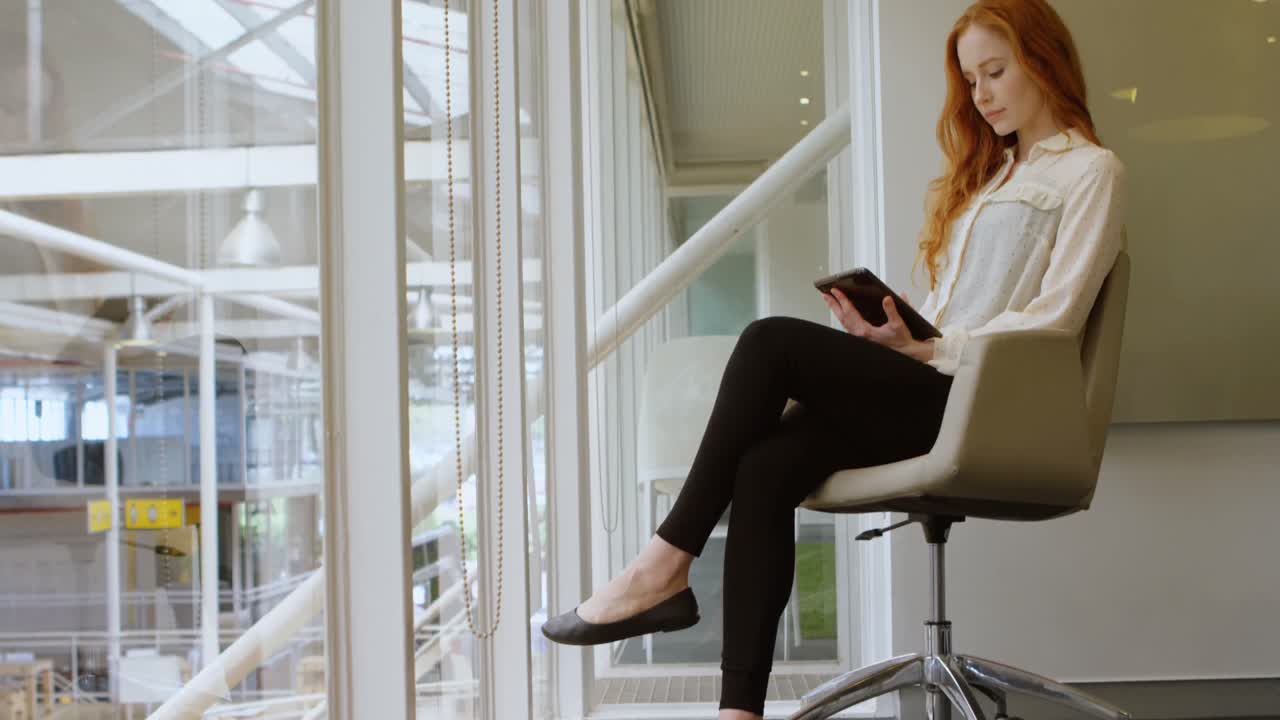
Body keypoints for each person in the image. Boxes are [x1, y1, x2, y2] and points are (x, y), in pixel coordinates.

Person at [543, 0, 1127, 717]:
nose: (981, 94)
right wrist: (898, 338)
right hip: (932, 383)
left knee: (769, 344)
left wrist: (932, 346)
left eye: (996, 71)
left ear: (1044, 60)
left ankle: (661, 565)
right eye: (971, 79)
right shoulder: (990, 179)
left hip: (984, 405)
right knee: (763, 466)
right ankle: (739, 711)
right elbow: (951, 319)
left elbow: (1055, 320)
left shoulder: (1092, 172)